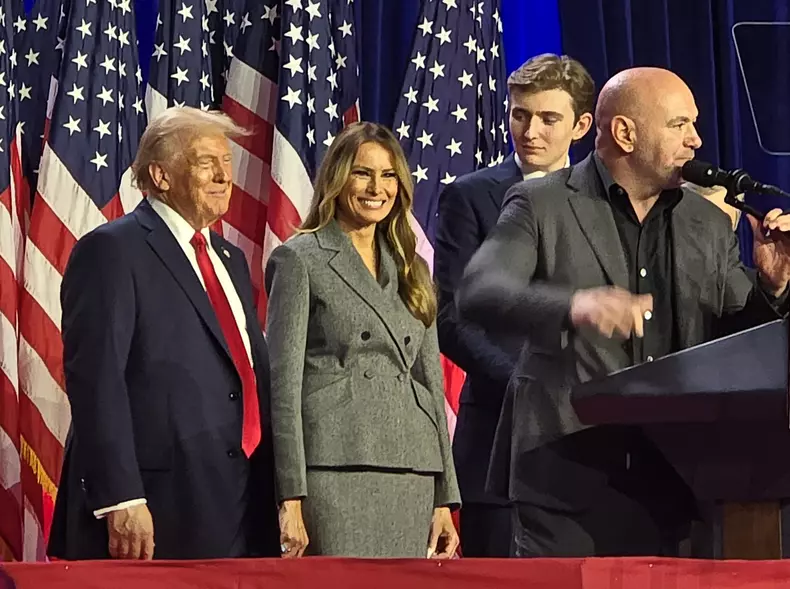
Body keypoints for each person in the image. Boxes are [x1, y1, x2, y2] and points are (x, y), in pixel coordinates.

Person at [456, 67, 790, 557]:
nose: (696, 140)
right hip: (567, 476)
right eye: (679, 125)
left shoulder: (706, 221)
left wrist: (772, 284)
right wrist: (575, 305)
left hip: (680, 479)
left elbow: (735, 337)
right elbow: (479, 291)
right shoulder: (541, 203)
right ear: (625, 133)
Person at [48, 107, 280, 560]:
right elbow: (96, 379)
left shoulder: (229, 259)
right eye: (204, 162)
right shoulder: (113, 250)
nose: (222, 175)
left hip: (238, 500)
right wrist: (122, 497)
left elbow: (245, 378)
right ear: (160, 174)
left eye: (227, 161)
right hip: (155, 505)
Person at [265, 121, 461, 559]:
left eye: (388, 175)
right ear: (337, 179)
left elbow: (431, 384)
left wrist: (446, 496)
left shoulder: (413, 269)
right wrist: (290, 497)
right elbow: (284, 388)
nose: (377, 188)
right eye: (362, 173)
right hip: (335, 467)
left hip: (412, 470)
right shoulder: (300, 259)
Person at [434, 53, 594, 557]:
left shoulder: (604, 200)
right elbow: (452, 317)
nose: (530, 131)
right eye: (519, 114)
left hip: (592, 446)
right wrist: (525, 385)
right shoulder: (470, 196)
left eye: (549, 118)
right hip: (498, 441)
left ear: (582, 125)